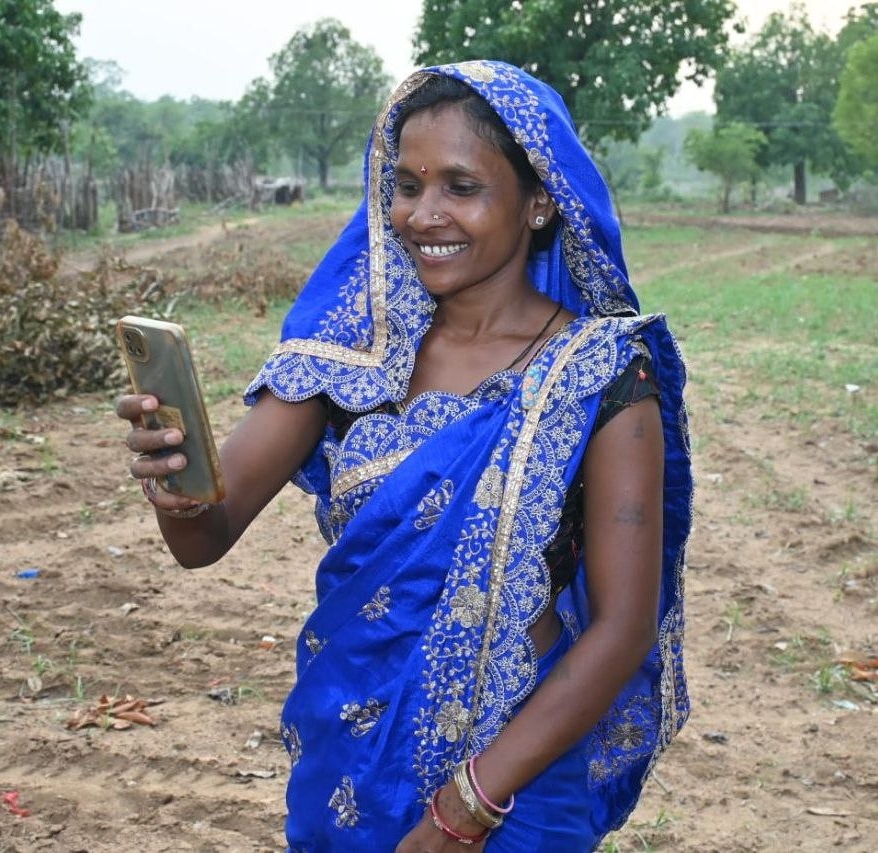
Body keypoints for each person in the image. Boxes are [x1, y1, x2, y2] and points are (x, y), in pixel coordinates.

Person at [118, 60, 692, 852]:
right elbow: (202, 539)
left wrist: (468, 806)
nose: (423, 214)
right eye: (406, 185)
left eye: (461, 186)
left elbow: (622, 628)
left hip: (516, 782)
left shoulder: (599, 370)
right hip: (352, 766)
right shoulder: (349, 361)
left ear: (538, 201)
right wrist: (173, 475)